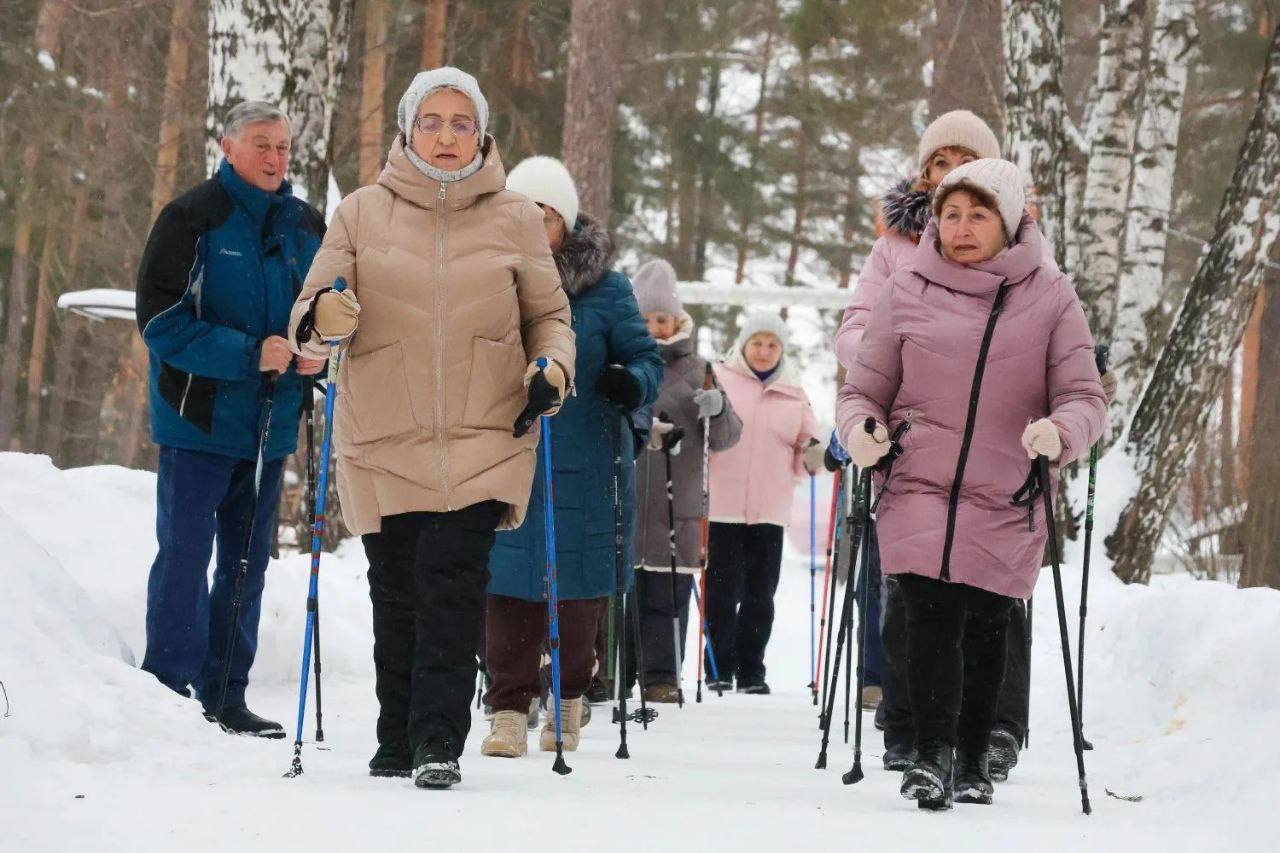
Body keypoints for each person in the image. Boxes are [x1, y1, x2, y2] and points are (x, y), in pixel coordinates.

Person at [288, 69, 575, 789]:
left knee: (452, 584)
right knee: (398, 587)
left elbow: (551, 317)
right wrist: (325, 319)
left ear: (482, 135)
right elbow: (311, 312)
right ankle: (398, 731)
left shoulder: (514, 216)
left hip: (486, 431)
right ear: (407, 130)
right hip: (385, 429)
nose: (446, 136)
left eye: (461, 123)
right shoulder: (359, 212)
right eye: (432, 122)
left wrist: (553, 368)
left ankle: (437, 738)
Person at [838, 159, 1107, 809]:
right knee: (929, 617)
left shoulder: (1048, 295)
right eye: (950, 214)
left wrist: (1060, 432)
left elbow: (1084, 397)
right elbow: (863, 389)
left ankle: (974, 753)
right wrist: (862, 431)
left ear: (1009, 222)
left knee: (988, 622)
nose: (960, 228)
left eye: (977, 215)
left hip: (1006, 489)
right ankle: (932, 754)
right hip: (919, 483)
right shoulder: (906, 288)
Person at [137, 101, 325, 738]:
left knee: (249, 564)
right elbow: (161, 323)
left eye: (283, 147)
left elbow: (334, 310)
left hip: (270, 430)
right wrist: (250, 353)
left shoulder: (307, 225)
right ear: (227, 147)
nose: (275, 158)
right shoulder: (191, 218)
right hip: (198, 423)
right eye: (262, 145)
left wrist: (316, 358)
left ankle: (226, 694)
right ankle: (167, 692)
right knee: (186, 557)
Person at [480, 156, 662, 758]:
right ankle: (507, 708)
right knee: (507, 584)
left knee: (578, 588)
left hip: (585, 456)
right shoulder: (485, 276)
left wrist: (627, 383)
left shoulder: (607, 288)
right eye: (523, 211)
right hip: (508, 452)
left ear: (567, 223)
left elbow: (646, 360)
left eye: (547, 214)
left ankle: (568, 696)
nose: (534, 224)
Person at [627, 259, 742, 702]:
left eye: (662, 319)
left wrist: (719, 409)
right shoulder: (618, 363)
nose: (655, 327)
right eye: (645, 319)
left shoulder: (698, 369)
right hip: (626, 502)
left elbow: (728, 437)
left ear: (678, 320)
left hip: (677, 509)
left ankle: (660, 677)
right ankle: (612, 676)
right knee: (619, 599)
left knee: (667, 599)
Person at [706, 311, 822, 695]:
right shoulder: (720, 380)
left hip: (770, 509)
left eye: (772, 344)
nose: (764, 350)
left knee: (760, 593)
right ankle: (718, 666)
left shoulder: (794, 392)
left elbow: (808, 442)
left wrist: (814, 455)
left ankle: (751, 670)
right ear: (743, 344)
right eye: (757, 342)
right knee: (722, 591)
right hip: (723, 504)